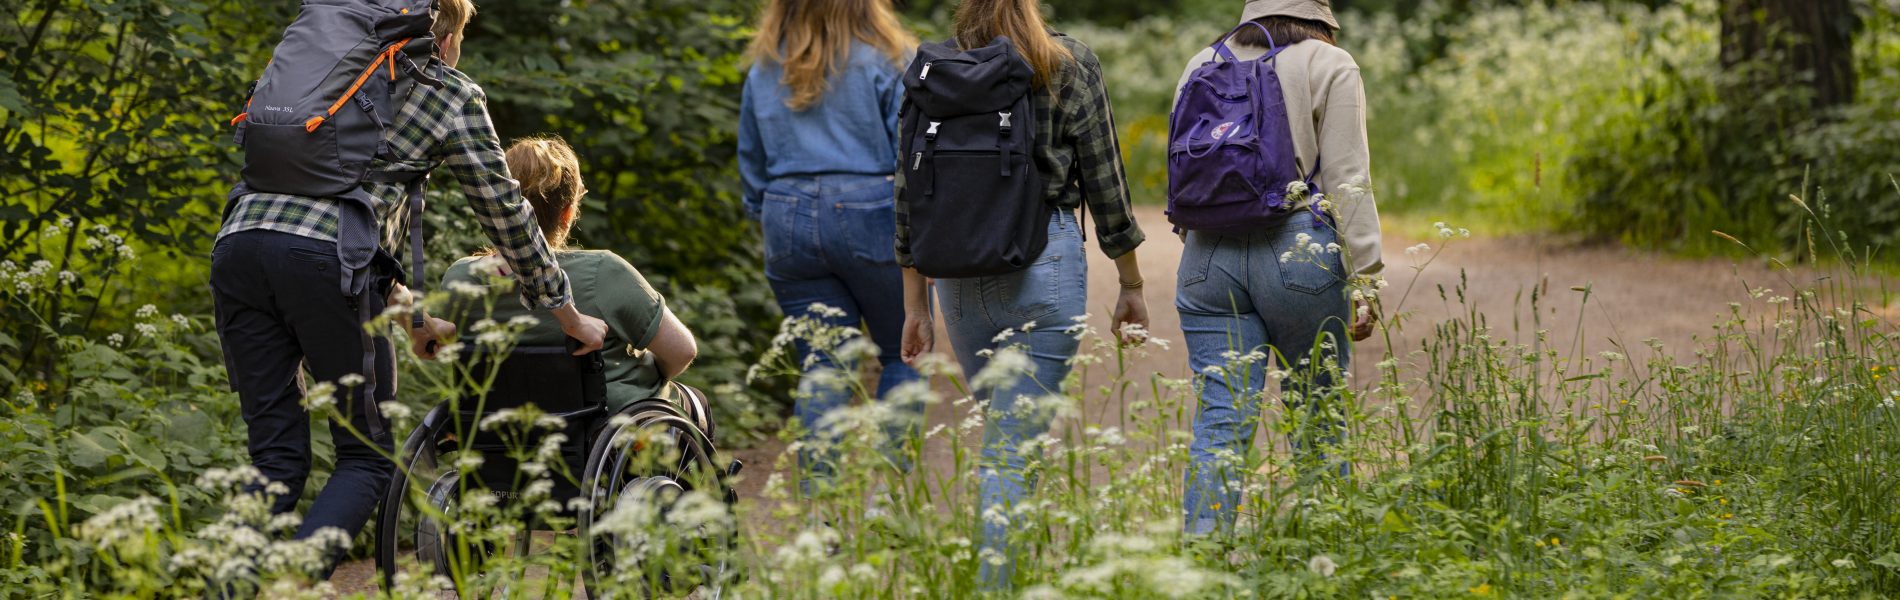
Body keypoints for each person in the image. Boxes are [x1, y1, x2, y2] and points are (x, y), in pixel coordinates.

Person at [209, 0, 609, 577]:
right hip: (325, 264)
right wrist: (569, 316)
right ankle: (289, 587)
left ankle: (234, 590)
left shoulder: (323, 73)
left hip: (239, 243)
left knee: (274, 458)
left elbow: (342, 208)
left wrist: (411, 316)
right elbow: (506, 215)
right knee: (367, 458)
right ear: (445, 38)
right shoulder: (446, 89)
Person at [894, 0, 1150, 587]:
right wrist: (1130, 283)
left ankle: (1014, 574)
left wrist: (915, 305)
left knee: (1007, 438)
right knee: (1013, 448)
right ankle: (997, 585)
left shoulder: (931, 72)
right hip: (1045, 261)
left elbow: (909, 192)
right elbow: (1105, 182)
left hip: (956, 275)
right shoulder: (1065, 62)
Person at [1172, 0, 1384, 537]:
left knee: (1220, 418)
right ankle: (1322, 557)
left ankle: (1201, 560)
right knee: (1317, 415)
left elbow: (1182, 165)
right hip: (1298, 248)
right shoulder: (1328, 63)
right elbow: (1347, 177)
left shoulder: (1202, 60)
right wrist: (1367, 276)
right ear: (1318, 13)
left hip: (1206, 255)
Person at [738, 0, 921, 491]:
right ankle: (888, 501)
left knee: (824, 362)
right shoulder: (890, 57)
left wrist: (772, 214)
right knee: (903, 352)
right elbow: (912, 157)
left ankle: (821, 515)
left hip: (786, 214)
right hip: (871, 208)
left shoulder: (765, 66)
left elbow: (751, 163)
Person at [441, 136, 699, 410]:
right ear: (568, 213)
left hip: (494, 434)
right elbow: (682, 351)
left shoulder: (460, 279)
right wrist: (652, 373)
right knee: (697, 405)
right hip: (603, 429)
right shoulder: (604, 272)